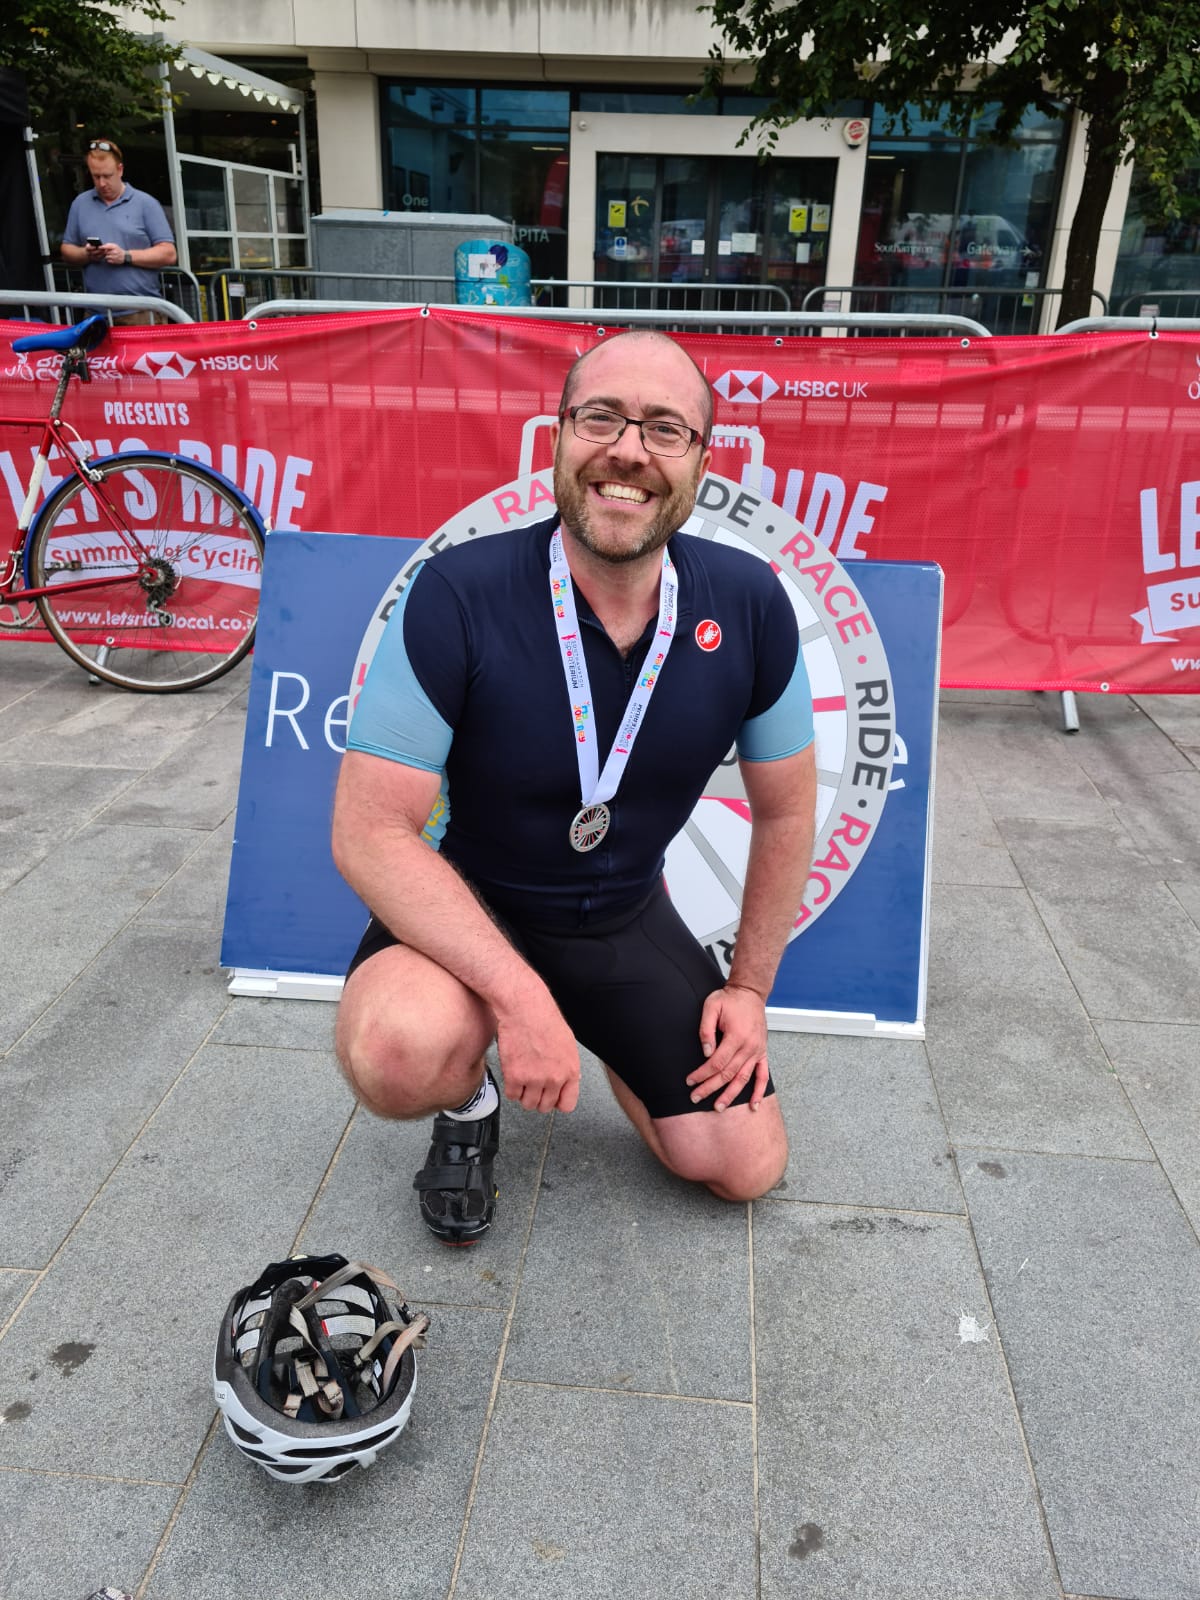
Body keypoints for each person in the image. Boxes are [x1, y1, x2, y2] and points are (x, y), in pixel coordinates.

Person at [332, 329, 817, 1245]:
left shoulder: (752, 604)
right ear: (556, 435)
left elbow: (787, 808)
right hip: (475, 909)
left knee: (743, 1165)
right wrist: (519, 1001)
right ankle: (471, 1099)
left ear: (703, 461)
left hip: (620, 916)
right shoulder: (458, 592)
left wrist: (749, 990)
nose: (629, 451)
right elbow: (369, 832)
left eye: (665, 429)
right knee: (396, 1052)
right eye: (601, 418)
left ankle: (616, 1036)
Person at [61, 138, 177, 322]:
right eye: (96, 176)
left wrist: (126, 256)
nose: (102, 183)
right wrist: (87, 254)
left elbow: (169, 253)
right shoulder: (80, 204)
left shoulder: (146, 204)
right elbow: (67, 250)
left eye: (107, 176)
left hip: (140, 312)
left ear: (120, 170)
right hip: (95, 313)